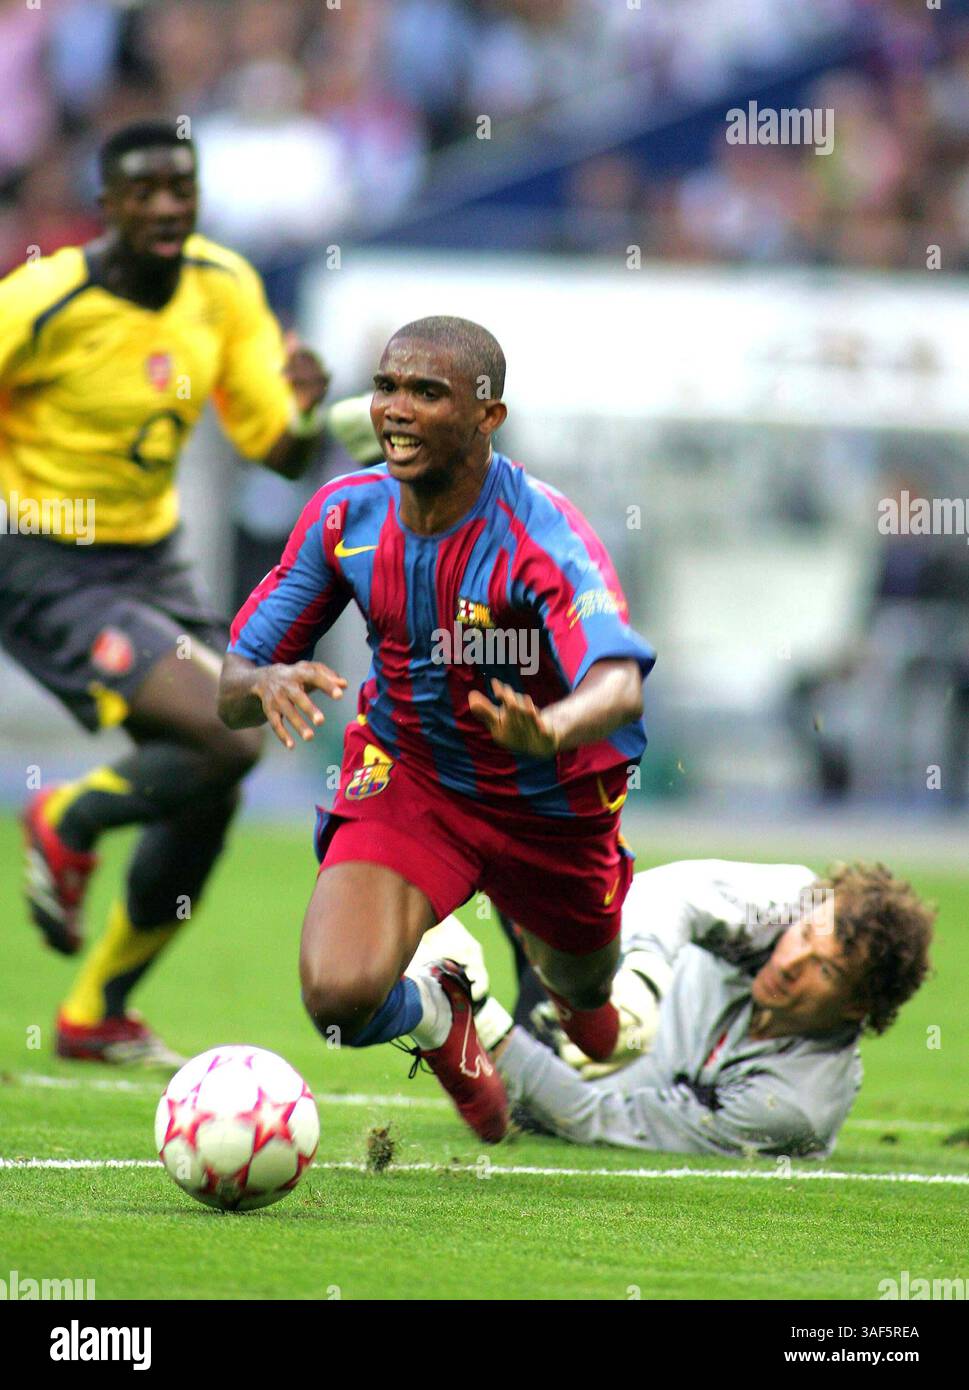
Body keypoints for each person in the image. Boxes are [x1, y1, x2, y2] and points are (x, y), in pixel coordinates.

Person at [218, 315, 656, 1142]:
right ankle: (442, 1014)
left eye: (427, 392)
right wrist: (264, 679)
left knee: (592, 1019)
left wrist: (552, 726)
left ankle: (604, 1002)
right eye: (386, 387)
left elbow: (619, 683)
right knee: (339, 1001)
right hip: (410, 780)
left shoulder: (541, 535)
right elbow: (232, 685)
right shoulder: (345, 516)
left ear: (488, 418)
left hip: (550, 802)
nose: (397, 408)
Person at [0, 119, 369, 1065]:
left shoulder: (223, 288)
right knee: (221, 720)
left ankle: (97, 1010)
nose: (167, 206)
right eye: (145, 191)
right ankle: (67, 818)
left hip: (151, 558)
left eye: (182, 187)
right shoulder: (44, 299)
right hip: (41, 555)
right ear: (107, 207)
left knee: (221, 759)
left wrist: (303, 408)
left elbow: (277, 453)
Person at [425, 859, 934, 1157]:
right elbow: (670, 893)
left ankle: (431, 997)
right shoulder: (795, 901)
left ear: (859, 1005)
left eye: (826, 970)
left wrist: (483, 1024)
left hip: (560, 1077)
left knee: (521, 1096)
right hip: (600, 993)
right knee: (547, 856)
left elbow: (595, 1119)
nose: (790, 961)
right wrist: (639, 990)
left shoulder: (792, 1106)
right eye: (803, 936)